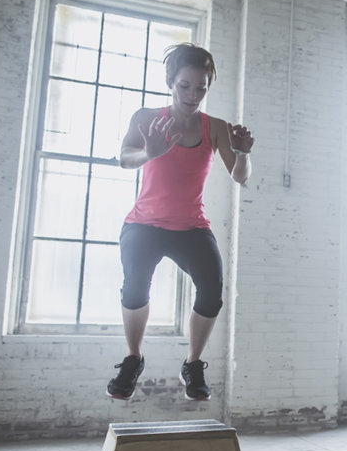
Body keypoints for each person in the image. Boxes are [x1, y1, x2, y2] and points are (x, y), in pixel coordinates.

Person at [106, 43, 254, 401]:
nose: (193, 95)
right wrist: (149, 152)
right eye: (185, 86)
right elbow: (124, 158)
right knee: (136, 284)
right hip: (144, 223)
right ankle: (133, 358)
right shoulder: (146, 118)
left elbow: (240, 177)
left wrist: (243, 153)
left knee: (211, 290)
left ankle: (192, 364)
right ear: (171, 82)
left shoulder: (214, 127)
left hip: (190, 225)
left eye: (201, 88)